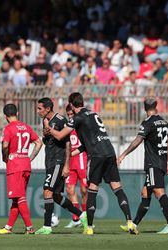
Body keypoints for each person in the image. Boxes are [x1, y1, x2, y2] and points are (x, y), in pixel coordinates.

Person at [45, 92, 136, 235]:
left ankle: (89, 228)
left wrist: (48, 128)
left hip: (97, 156)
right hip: (109, 152)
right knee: (117, 188)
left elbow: (61, 135)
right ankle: (130, 222)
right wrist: (71, 155)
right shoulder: (94, 114)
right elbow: (84, 146)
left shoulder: (78, 117)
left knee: (92, 189)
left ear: (72, 105)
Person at [118, 98, 168, 234]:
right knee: (145, 192)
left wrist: (123, 154)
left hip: (153, 163)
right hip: (162, 161)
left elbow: (138, 141)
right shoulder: (164, 122)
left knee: (158, 191)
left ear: (144, 109)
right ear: (156, 106)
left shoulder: (148, 123)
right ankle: (133, 225)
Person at [35, 97, 87, 235]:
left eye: (39, 108)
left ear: (47, 109)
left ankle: (47, 226)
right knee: (56, 196)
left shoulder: (60, 120)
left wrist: (66, 165)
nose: (37, 111)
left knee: (47, 191)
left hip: (58, 161)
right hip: (50, 160)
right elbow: (48, 142)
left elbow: (68, 143)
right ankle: (82, 216)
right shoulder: (45, 120)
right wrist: (45, 134)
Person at [0, 104, 43, 235]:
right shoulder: (26, 127)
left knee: (20, 197)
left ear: (5, 116)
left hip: (15, 166)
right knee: (17, 198)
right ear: (18, 113)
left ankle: (29, 227)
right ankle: (8, 227)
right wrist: (30, 158)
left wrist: (5, 157)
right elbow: (39, 142)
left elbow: (5, 145)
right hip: (25, 164)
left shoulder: (8, 128)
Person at [64, 104, 88, 229]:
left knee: (84, 190)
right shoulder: (67, 127)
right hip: (70, 162)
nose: (70, 117)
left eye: (71, 114)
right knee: (70, 190)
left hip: (82, 159)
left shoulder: (81, 125)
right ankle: (76, 218)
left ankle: (86, 217)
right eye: (68, 115)